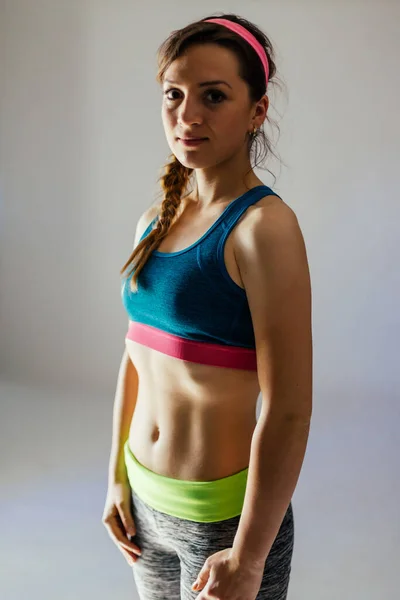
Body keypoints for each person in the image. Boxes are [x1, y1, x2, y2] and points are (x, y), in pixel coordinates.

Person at [102, 12, 312, 600]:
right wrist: (116, 479)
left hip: (221, 522)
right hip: (143, 507)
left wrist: (248, 557)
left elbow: (290, 410)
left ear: (257, 110)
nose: (187, 116)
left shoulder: (263, 229)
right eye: (174, 94)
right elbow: (135, 358)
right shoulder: (156, 218)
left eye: (214, 96)